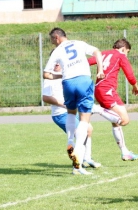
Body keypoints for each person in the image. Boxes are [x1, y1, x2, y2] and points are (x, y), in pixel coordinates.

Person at [43, 27, 104, 175]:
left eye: (52, 40)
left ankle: (71, 142)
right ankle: (78, 160)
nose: (53, 43)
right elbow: (97, 52)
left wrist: (61, 76)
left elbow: (46, 74)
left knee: (72, 114)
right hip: (83, 80)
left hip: (68, 83)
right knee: (84, 121)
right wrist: (100, 70)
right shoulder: (79, 43)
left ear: (56, 37)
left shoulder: (57, 51)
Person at [88, 39, 138, 161]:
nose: (126, 55)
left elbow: (87, 62)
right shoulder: (120, 55)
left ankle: (125, 152)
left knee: (115, 121)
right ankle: (96, 109)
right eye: (127, 52)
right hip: (107, 90)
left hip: (100, 89)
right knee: (124, 120)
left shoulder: (102, 53)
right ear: (123, 49)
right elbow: (130, 75)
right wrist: (135, 86)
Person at [42, 62, 101, 168]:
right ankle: (77, 162)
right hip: (60, 114)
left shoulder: (68, 76)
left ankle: (87, 158)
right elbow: (46, 97)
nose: (56, 64)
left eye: (58, 62)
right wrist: (65, 105)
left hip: (73, 110)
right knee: (80, 133)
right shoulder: (49, 78)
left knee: (89, 129)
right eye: (54, 62)